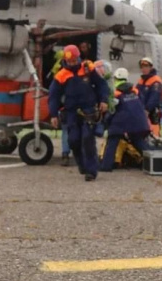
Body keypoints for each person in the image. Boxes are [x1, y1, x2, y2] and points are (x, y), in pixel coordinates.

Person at [47, 45, 110, 181]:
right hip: (71, 112)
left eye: (75, 60)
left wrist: (104, 100)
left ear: (78, 58)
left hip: (88, 110)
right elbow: (53, 97)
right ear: (65, 60)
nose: (72, 63)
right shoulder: (61, 75)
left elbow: (102, 85)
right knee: (73, 141)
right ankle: (82, 165)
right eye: (70, 61)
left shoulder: (88, 68)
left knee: (88, 139)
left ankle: (91, 171)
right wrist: (53, 115)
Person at [100, 68, 152, 172]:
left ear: (115, 78)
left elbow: (111, 111)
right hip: (138, 121)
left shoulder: (114, 93)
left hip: (120, 122)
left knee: (112, 140)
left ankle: (106, 166)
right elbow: (141, 104)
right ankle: (155, 161)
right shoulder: (136, 91)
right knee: (138, 140)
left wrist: (106, 123)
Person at [136, 57, 162, 137]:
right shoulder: (141, 80)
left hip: (152, 111)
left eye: (146, 66)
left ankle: (156, 141)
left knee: (154, 132)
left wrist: (147, 110)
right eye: (142, 67)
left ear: (151, 67)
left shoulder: (156, 80)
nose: (144, 69)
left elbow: (154, 97)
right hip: (142, 110)